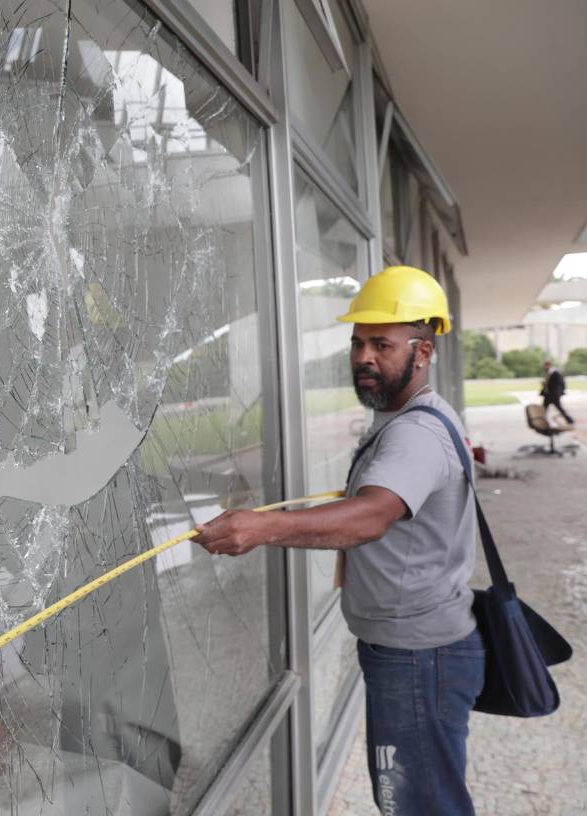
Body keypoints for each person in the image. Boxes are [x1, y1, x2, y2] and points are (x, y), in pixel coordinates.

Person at [193, 266, 485, 815]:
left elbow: (369, 517)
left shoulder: (416, 433)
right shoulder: (406, 418)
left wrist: (259, 527)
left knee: (415, 806)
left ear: (422, 352)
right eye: (357, 343)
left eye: (382, 344)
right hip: (416, 650)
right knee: (420, 801)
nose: (363, 357)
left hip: (419, 658)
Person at [540, 360, 573, 425]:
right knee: (544, 408)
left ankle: (569, 420)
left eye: (545, 366)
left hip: (554, 395)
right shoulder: (548, 373)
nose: (544, 367)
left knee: (558, 407)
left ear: (548, 365)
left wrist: (560, 392)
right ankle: (541, 419)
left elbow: (561, 383)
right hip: (548, 395)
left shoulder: (556, 373)